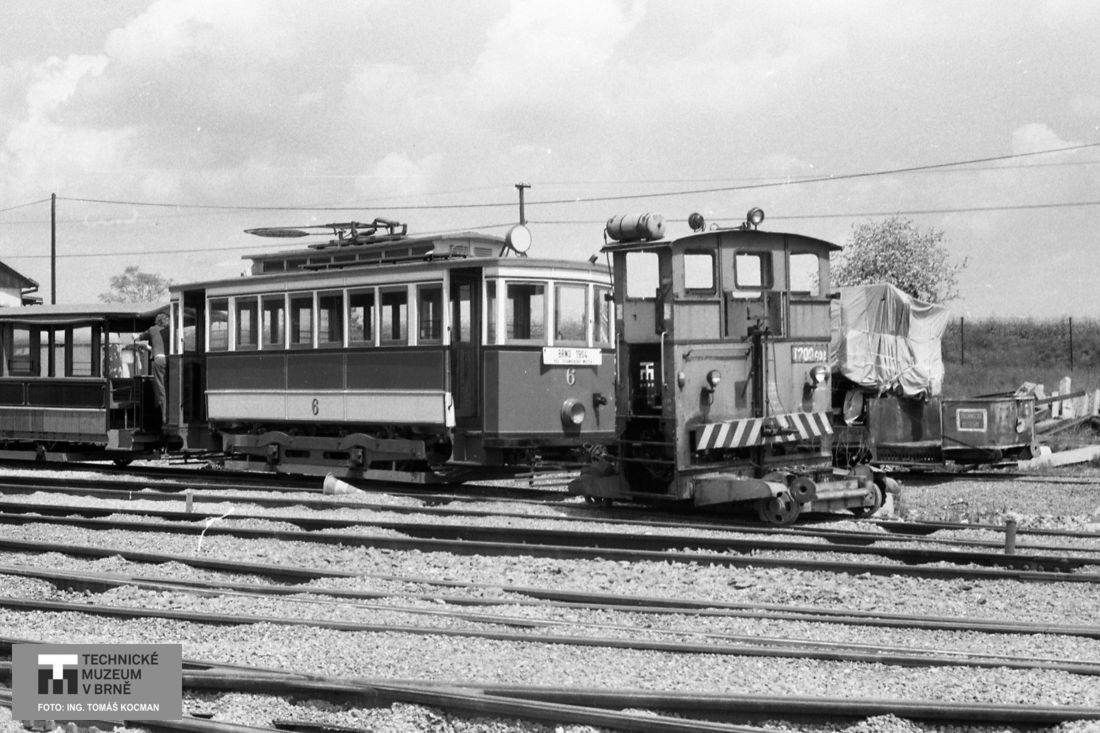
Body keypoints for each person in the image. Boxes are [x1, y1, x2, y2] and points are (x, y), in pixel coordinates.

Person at [137, 312, 170, 424]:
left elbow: (139, 337)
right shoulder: (168, 330)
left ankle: (164, 417)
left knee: (160, 389)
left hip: (158, 360)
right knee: (167, 387)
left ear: (157, 320)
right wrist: (151, 348)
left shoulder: (152, 329)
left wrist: (135, 337)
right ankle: (167, 413)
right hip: (169, 360)